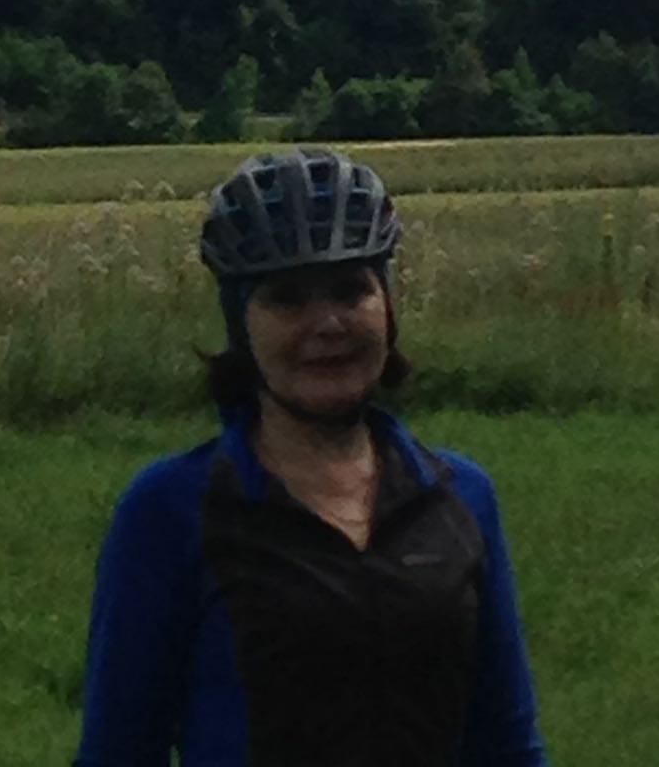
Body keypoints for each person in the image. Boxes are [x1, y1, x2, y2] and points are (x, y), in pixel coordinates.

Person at [74, 147, 548, 767]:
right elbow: (118, 750)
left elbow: (507, 743)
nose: (327, 324)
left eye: (351, 291)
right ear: (241, 325)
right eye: (288, 299)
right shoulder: (172, 510)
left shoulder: (461, 497)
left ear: (387, 306)